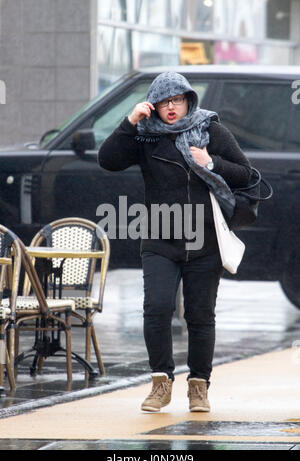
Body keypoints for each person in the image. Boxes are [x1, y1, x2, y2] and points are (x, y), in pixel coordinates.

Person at [98, 71, 251, 413]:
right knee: (157, 309)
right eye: (164, 101)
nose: (171, 107)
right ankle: (160, 383)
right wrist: (129, 122)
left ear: (188, 101)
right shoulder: (146, 137)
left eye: (177, 100)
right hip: (159, 238)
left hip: (204, 240)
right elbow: (107, 160)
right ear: (154, 104)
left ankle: (199, 386)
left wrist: (210, 162)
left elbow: (246, 174)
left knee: (199, 315)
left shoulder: (210, 130)